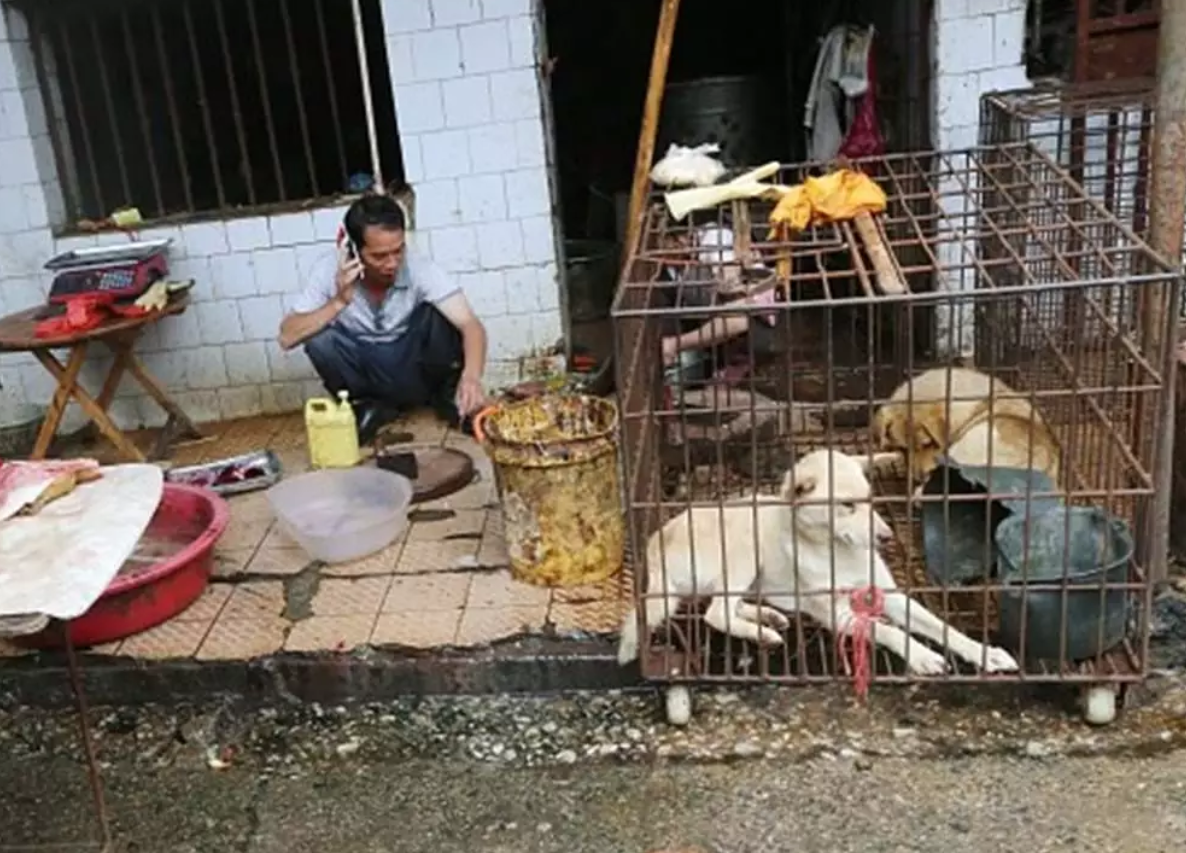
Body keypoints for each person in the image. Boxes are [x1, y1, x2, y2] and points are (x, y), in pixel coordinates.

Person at [278, 194, 488, 443]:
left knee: (438, 316)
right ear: (353, 250)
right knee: (318, 337)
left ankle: (448, 398)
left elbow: (471, 325)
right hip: (366, 375)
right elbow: (287, 337)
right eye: (379, 256)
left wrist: (471, 377)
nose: (392, 263)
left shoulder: (419, 268)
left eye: (398, 251)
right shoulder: (327, 270)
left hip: (412, 369)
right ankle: (366, 407)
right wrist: (338, 302)